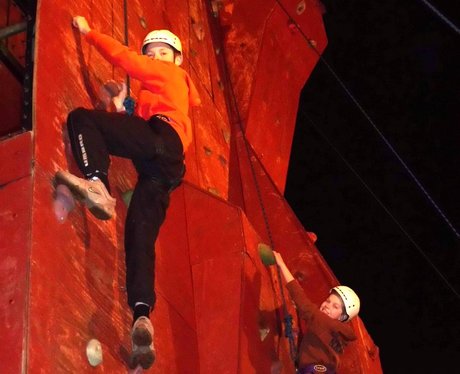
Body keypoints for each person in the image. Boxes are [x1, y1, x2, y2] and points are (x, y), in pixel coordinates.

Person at [56, 16, 201, 369]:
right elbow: (143, 122)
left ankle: (97, 183)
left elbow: (127, 60)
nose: (156, 58)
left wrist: (91, 35)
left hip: (159, 142)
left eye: (163, 53)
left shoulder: (172, 75)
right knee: (139, 236)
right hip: (164, 170)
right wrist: (126, 107)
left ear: (177, 60)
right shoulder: (171, 96)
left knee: (82, 119)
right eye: (152, 52)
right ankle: (141, 315)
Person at [273, 251, 360, 374]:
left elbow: (301, 301)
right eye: (328, 301)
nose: (327, 306)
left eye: (335, 306)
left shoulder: (325, 323)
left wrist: (281, 264)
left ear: (342, 317)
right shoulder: (339, 334)